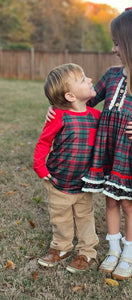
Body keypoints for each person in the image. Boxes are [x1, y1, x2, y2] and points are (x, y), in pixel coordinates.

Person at [46, 7, 132, 280]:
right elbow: (82, 100)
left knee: (128, 204)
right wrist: (57, 107)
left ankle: (129, 254)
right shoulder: (112, 75)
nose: (113, 49)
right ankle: (112, 250)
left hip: (129, 151)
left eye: (117, 43)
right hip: (106, 149)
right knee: (110, 201)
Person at [33, 63, 100, 273]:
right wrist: (41, 169)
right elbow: (44, 143)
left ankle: (87, 251)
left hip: (84, 182)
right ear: (70, 96)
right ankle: (60, 247)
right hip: (58, 180)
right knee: (60, 216)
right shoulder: (59, 117)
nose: (89, 80)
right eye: (83, 79)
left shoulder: (96, 117)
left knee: (85, 216)